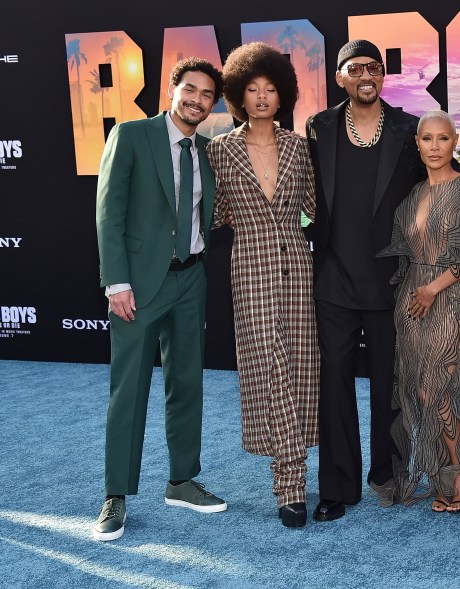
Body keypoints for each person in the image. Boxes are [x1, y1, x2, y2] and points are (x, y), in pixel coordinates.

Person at [94, 58, 227, 541]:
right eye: (189, 89)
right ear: (173, 89)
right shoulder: (131, 136)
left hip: (191, 279)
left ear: (214, 104)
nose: (196, 100)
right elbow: (109, 212)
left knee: (187, 382)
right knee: (128, 390)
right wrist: (116, 282)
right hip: (139, 285)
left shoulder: (210, 151)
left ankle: (182, 480)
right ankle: (116, 493)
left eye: (206, 95)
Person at [305, 40, 427, 522]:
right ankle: (337, 487)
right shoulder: (320, 127)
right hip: (334, 276)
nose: (365, 75)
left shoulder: (408, 128)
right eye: (355, 68)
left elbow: (432, 191)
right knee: (333, 384)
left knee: (390, 385)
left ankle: (388, 475)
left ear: (383, 75)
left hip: (391, 279)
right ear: (340, 77)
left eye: (373, 67)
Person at [206, 42, 319, 528]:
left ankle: (292, 471)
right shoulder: (219, 150)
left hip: (297, 264)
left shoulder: (298, 146)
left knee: (296, 365)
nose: (261, 97)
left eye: (270, 89)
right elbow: (211, 213)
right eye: (251, 89)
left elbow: (314, 205)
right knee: (269, 363)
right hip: (249, 266)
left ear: (283, 94)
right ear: (237, 94)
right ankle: (289, 483)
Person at [378, 110, 460, 513]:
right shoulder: (413, 195)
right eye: (427, 139)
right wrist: (418, 292)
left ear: (455, 142)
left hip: (450, 298)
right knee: (421, 390)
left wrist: (432, 287)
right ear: (417, 143)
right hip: (415, 303)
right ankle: (446, 471)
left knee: (439, 387)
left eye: (443, 139)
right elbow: (407, 256)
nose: (435, 147)